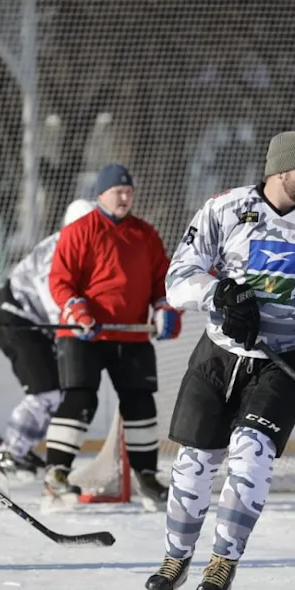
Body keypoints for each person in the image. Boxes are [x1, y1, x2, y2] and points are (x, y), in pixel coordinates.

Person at [146, 131, 295, 590]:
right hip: (219, 355)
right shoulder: (225, 209)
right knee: (193, 465)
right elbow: (179, 276)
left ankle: (223, 560)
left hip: (285, 361)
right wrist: (218, 294)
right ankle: (175, 559)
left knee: (251, 459)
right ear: (281, 170)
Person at [43, 165, 181, 511]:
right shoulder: (79, 231)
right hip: (84, 335)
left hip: (131, 334)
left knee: (140, 402)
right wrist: (79, 312)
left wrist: (164, 309)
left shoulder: (145, 234)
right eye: (118, 191)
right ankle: (56, 475)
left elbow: (159, 283)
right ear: (101, 194)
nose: (125, 197)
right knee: (80, 398)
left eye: (129, 191)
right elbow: (61, 281)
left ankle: (147, 476)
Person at [0, 199, 97, 480]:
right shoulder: (55, 253)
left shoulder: (86, 250)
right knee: (45, 392)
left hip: (31, 324)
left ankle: (18, 449)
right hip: (15, 320)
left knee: (54, 393)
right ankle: (10, 453)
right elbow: (57, 310)